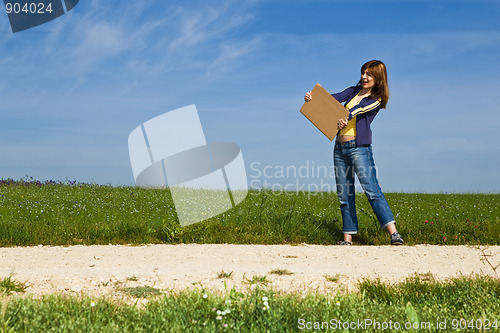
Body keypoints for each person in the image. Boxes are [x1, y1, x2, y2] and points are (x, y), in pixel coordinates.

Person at [304, 60, 403, 245]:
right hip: (340, 149)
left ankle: (394, 234)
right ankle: (347, 238)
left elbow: (359, 109)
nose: (364, 77)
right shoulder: (352, 91)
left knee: (371, 190)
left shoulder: (377, 99)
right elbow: (333, 98)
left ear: (379, 79)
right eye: (363, 73)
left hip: (359, 149)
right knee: (344, 194)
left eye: (369, 74)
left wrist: (344, 116)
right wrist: (313, 98)